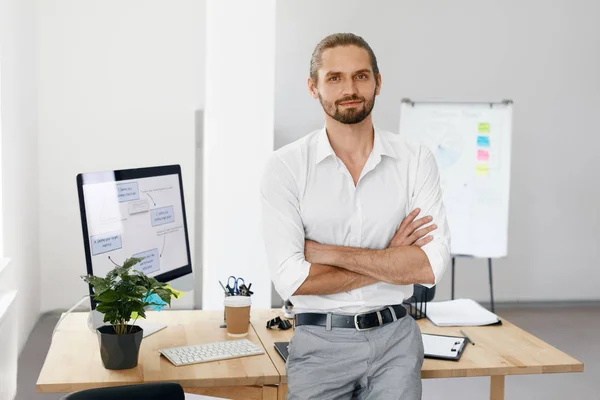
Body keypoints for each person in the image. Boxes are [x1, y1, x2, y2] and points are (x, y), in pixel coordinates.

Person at [261, 33, 451, 400]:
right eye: (335, 78)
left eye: (361, 76)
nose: (350, 88)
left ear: (378, 82)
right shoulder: (285, 167)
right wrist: (390, 258)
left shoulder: (416, 159)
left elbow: (428, 268)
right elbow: (293, 281)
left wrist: (325, 253)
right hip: (319, 345)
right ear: (313, 87)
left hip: (396, 341)